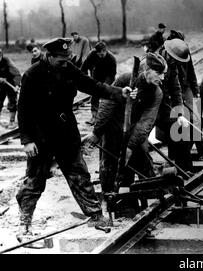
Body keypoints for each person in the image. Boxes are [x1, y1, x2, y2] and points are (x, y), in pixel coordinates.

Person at [16, 38, 133, 239]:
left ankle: (96, 216)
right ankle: (25, 223)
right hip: (40, 137)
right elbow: (23, 110)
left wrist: (119, 92)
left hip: (65, 133)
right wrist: (27, 140)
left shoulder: (68, 68)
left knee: (79, 175)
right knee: (34, 181)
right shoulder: (32, 75)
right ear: (49, 56)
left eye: (66, 59)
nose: (65, 63)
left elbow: (93, 85)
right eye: (61, 60)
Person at [84, 52, 166, 192]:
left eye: (164, 73)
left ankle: (143, 195)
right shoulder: (126, 80)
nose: (162, 78)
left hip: (134, 130)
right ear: (148, 71)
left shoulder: (156, 93)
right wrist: (97, 132)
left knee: (140, 161)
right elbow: (107, 104)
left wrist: (130, 146)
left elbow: (146, 122)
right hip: (113, 128)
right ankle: (109, 196)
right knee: (109, 165)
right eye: (159, 73)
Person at [166, 30, 203, 161]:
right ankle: (174, 156)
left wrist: (196, 90)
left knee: (195, 118)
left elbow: (191, 71)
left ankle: (201, 153)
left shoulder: (184, 50)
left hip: (185, 85)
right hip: (172, 88)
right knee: (176, 119)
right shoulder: (166, 52)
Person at [155, 38, 192, 173]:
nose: (176, 63)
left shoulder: (172, 65)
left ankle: (184, 170)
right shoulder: (151, 62)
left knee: (180, 128)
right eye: (175, 59)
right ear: (169, 54)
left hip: (162, 107)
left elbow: (176, 90)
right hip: (147, 108)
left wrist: (180, 113)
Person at [81, 41, 117, 125]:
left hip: (108, 76)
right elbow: (84, 67)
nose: (101, 56)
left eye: (102, 54)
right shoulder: (92, 54)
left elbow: (112, 75)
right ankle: (94, 116)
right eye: (99, 54)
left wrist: (105, 86)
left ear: (105, 51)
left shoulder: (111, 59)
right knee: (95, 93)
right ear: (96, 52)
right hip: (97, 74)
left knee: (106, 94)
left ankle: (107, 116)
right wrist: (85, 79)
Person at [0, 48, 21, 129]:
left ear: (1, 55)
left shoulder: (7, 61)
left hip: (10, 83)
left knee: (12, 101)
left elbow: (17, 74)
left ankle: (12, 122)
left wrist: (16, 85)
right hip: (1, 84)